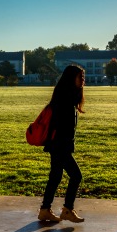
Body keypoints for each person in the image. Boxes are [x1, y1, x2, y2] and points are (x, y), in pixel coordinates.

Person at [37, 64, 86, 223]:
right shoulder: (65, 98)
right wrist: (64, 147)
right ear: (72, 78)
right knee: (76, 176)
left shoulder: (66, 95)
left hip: (57, 145)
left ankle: (45, 210)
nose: (83, 80)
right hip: (59, 146)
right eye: (80, 77)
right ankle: (67, 209)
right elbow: (61, 126)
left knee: (55, 176)